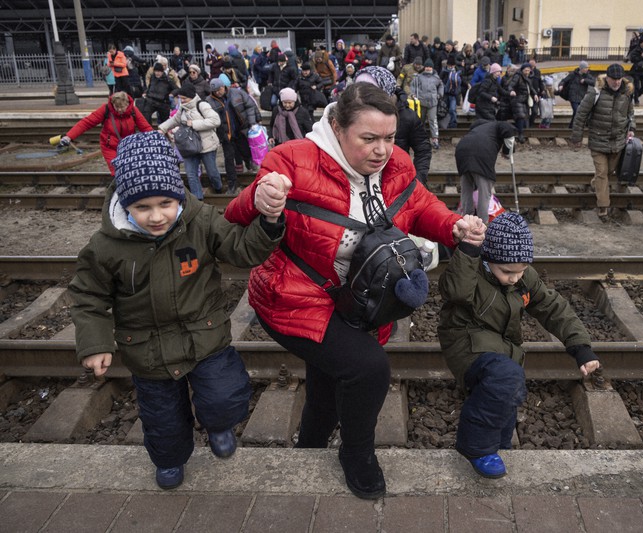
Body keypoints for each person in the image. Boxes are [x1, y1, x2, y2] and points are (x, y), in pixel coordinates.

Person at [223, 83, 481, 500]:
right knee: (367, 368)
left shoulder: (396, 164)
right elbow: (234, 217)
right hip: (293, 295)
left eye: (389, 138)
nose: (382, 150)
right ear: (337, 128)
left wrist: (453, 224)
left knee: (328, 381)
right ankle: (357, 454)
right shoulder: (291, 160)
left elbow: (418, 205)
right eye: (369, 138)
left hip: (359, 300)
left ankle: (308, 448)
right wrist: (261, 197)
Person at [69, 130, 287, 491]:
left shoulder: (199, 220)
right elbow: (89, 295)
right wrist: (94, 343)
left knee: (224, 394)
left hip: (205, 335)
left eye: (165, 204)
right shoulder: (106, 246)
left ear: (178, 194)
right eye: (142, 207)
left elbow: (239, 248)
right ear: (125, 204)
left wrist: (268, 223)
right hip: (147, 351)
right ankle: (170, 459)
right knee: (162, 416)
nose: (156, 216)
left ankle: (218, 426)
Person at [438, 211, 599, 478]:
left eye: (521, 271)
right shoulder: (472, 269)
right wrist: (468, 250)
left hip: (500, 344)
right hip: (465, 340)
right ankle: (477, 448)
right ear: (489, 260)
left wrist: (580, 347)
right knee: (506, 376)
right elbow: (454, 290)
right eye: (508, 272)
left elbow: (551, 307)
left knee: (508, 383)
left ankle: (497, 443)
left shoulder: (522, 276)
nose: (515, 278)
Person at [569, 64, 636, 221]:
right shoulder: (595, 91)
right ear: (607, 78)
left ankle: (596, 184)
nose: (617, 82)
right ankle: (603, 207)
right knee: (602, 173)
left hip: (618, 142)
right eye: (614, 79)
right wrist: (577, 138)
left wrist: (631, 127)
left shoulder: (627, 92)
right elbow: (581, 115)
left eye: (619, 79)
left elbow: (631, 113)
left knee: (608, 172)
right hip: (598, 140)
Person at [355, 66, 432, 188]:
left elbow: (423, 148)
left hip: (396, 182)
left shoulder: (407, 116)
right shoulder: (354, 114)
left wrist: (419, 179)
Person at [60, 91, 152, 175]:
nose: (119, 110)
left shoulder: (133, 111)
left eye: (122, 107)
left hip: (129, 147)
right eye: (117, 107)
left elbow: (145, 127)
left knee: (131, 171)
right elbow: (87, 122)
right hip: (110, 147)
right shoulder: (106, 109)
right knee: (117, 172)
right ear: (113, 104)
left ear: (127, 104)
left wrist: (156, 139)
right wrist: (69, 136)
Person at [158, 83, 224, 200]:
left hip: (206, 145)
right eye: (180, 98)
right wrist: (162, 128)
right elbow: (175, 120)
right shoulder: (182, 108)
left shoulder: (202, 105)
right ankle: (198, 199)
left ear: (191, 97)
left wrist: (193, 124)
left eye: (184, 98)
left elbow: (215, 120)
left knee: (212, 172)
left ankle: (218, 188)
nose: (181, 101)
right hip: (189, 146)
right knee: (191, 175)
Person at [456, 119, 517, 223]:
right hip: (481, 155)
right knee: (484, 195)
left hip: (461, 150)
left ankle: (466, 222)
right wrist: (507, 152)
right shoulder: (498, 124)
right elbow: (509, 130)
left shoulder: (480, 129)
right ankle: (482, 225)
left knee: (467, 191)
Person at [410, 58, 443, 149]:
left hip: (433, 103)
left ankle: (435, 139)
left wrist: (439, 94)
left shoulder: (436, 78)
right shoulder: (419, 77)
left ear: (432, 68)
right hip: (421, 102)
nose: (428, 68)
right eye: (427, 66)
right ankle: (421, 139)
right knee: (420, 121)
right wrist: (413, 95)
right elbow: (413, 86)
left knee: (433, 120)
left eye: (430, 67)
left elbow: (441, 85)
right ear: (424, 67)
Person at [559, 61, 594, 128]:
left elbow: (594, 82)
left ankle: (571, 126)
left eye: (587, 68)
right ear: (581, 68)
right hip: (573, 96)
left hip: (582, 97)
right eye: (586, 68)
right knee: (577, 110)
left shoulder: (587, 76)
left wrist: (585, 81)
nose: (587, 69)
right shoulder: (573, 74)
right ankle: (574, 126)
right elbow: (564, 80)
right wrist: (561, 85)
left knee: (577, 112)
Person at [628, 38, 643, 105]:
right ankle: (636, 101)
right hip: (636, 71)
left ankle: (636, 95)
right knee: (636, 86)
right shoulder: (636, 50)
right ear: (641, 43)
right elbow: (632, 59)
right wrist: (641, 56)